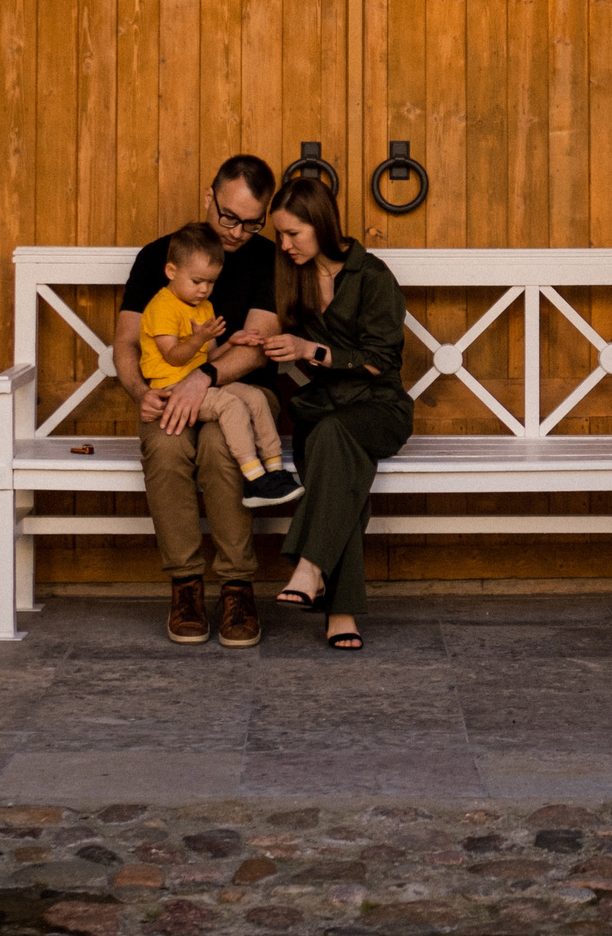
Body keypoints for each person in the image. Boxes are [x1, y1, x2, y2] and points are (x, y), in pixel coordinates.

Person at [114, 155, 285, 648]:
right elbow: (126, 342)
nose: (236, 233)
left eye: (252, 223)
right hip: (168, 392)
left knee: (219, 443)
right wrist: (141, 393)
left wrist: (204, 378)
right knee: (167, 447)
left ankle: (237, 586)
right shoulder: (160, 257)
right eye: (228, 217)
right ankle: (186, 585)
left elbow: (255, 350)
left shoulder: (269, 259)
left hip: (246, 396)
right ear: (208, 196)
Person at [261, 178, 412, 650]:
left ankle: (311, 566)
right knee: (337, 454)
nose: (284, 245)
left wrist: (313, 349)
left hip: (379, 409)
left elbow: (381, 360)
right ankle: (337, 607)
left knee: (336, 443)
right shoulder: (292, 272)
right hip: (323, 410)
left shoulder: (371, 275)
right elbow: (274, 326)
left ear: (322, 224)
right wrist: (259, 340)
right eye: (280, 235)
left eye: (293, 234)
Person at [137, 222, 301, 508]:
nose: (204, 290)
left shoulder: (203, 307)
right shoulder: (162, 307)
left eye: (211, 282)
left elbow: (209, 359)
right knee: (232, 405)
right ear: (171, 272)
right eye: (197, 281)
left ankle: (274, 469)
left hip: (197, 383)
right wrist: (200, 335)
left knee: (254, 397)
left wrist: (232, 342)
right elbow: (174, 356)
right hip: (172, 387)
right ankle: (254, 477)